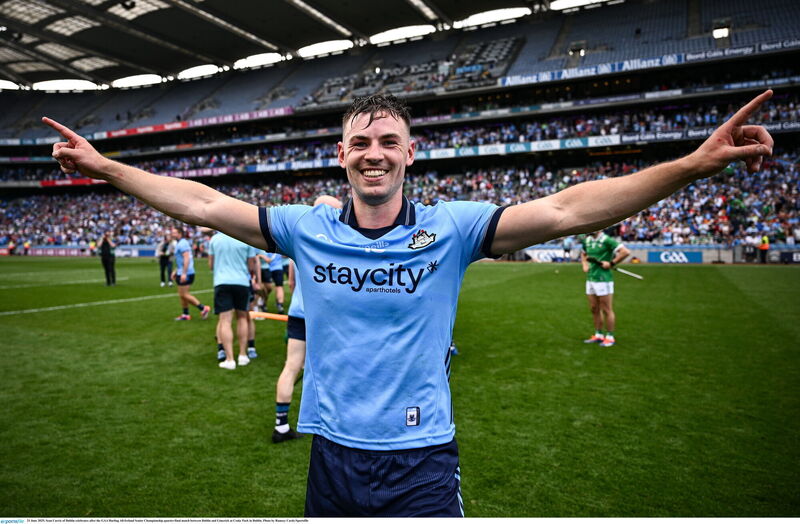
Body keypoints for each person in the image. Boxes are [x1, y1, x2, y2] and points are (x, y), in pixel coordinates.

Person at [43, 90, 774, 517]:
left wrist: (691, 164)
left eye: (388, 141)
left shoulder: (451, 228)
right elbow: (202, 202)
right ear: (340, 156)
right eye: (359, 141)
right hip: (330, 454)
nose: (373, 152)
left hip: (421, 462)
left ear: (411, 154)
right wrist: (105, 165)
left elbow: (566, 212)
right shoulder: (307, 228)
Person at [273, 195, 342, 445]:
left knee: (291, 366)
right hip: (327, 317)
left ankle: (281, 425)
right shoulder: (340, 242)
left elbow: (292, 283)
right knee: (337, 368)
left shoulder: (298, 241)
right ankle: (336, 424)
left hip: (299, 311)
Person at [208, 231, 259, 370]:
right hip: (242, 282)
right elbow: (251, 266)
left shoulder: (215, 239)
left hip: (222, 281)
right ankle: (243, 355)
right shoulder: (245, 238)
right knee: (242, 317)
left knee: (225, 320)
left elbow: (211, 265)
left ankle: (230, 359)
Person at [580, 230, 631, 347]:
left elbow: (625, 252)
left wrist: (612, 263)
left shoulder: (607, 240)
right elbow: (583, 253)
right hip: (591, 278)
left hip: (604, 279)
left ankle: (610, 336)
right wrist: (584, 264)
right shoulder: (587, 240)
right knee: (594, 308)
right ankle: (598, 335)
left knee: (606, 309)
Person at [170, 227, 211, 321]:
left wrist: (184, 273)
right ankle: (185, 314)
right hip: (182, 272)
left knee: (184, 294)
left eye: (174, 232)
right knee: (182, 295)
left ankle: (203, 308)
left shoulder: (183, 243)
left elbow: (186, 258)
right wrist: (176, 271)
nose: (172, 234)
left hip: (186, 273)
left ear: (180, 233)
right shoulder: (180, 243)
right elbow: (181, 260)